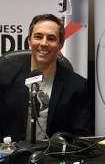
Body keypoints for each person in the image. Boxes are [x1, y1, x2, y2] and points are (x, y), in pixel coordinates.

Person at [0, 14, 92, 142]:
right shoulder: (5, 77)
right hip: (11, 156)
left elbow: (81, 135)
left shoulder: (77, 85)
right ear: (29, 40)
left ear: (61, 44)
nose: (44, 43)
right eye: (38, 36)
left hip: (53, 157)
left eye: (51, 38)